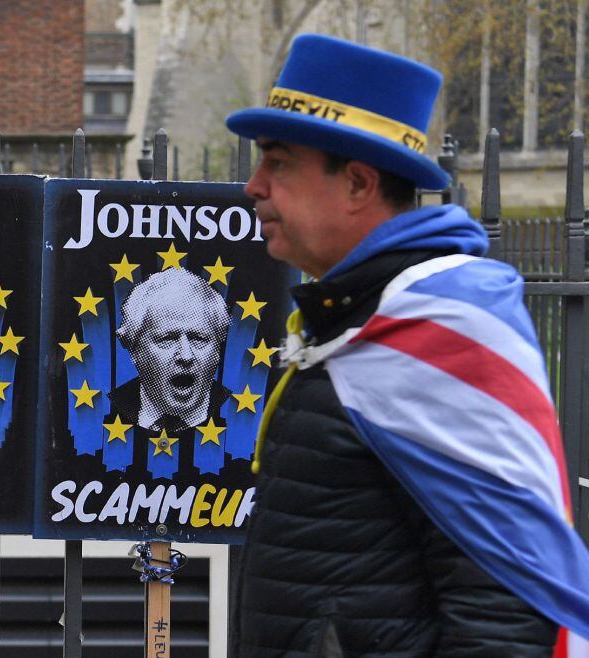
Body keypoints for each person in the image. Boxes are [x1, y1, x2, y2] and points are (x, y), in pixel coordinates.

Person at [224, 34, 589, 656]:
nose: (253, 186)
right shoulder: (353, 316)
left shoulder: (436, 330)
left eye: (278, 162)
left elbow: (506, 606)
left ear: (360, 184)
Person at [111, 267, 230, 433]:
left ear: (217, 351)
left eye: (199, 339)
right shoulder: (107, 410)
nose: (186, 355)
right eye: (167, 339)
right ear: (134, 350)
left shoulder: (237, 412)